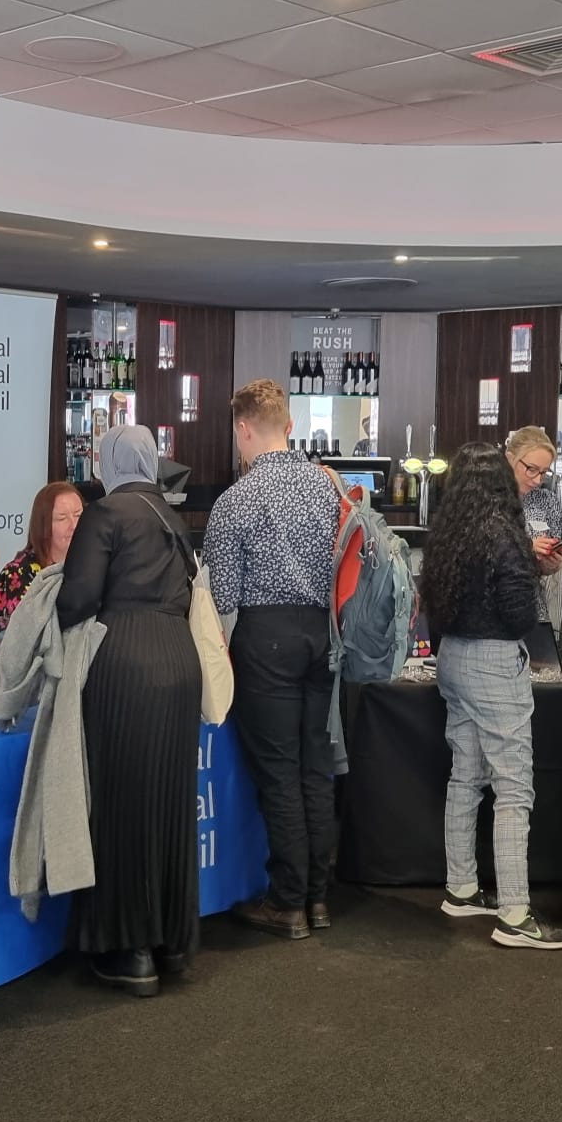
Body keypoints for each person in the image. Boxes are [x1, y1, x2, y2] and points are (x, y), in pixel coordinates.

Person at [56, 427, 204, 995]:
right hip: (177, 662)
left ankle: (130, 949)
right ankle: (169, 939)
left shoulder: (106, 512)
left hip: (125, 663)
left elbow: (78, 599)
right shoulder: (171, 516)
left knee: (121, 803)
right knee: (166, 803)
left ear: (111, 461)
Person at [418, 444, 562, 950]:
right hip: (493, 661)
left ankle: (461, 887)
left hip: (452, 658)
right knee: (513, 789)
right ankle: (514, 913)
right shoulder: (505, 535)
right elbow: (519, 615)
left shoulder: (447, 532)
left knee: (464, 774)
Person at [205, 380, 342, 940]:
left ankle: (287, 900)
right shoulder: (327, 487)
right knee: (315, 769)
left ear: (243, 428)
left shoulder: (236, 499)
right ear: (287, 424)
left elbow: (219, 600)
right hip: (320, 635)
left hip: (264, 639)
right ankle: (318, 898)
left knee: (280, 775)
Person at [0, 480, 84, 655]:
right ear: (44, 526)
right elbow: (19, 642)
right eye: (62, 518)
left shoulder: (91, 566)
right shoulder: (16, 573)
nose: (74, 525)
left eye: (78, 515)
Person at [507, 426, 562, 579]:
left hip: (532, 596)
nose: (537, 480)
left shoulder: (547, 500)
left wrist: (551, 564)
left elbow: (546, 566)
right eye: (531, 469)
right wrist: (526, 548)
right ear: (510, 458)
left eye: (543, 472)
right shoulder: (487, 499)